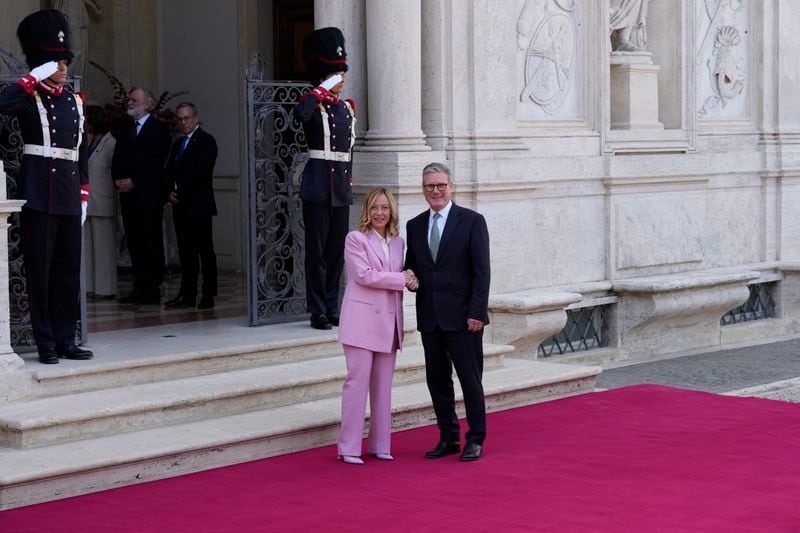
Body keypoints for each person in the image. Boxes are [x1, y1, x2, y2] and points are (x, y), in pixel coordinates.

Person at [0, 10, 93, 364]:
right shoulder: (27, 97)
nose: (64, 68)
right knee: (40, 272)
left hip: (69, 194)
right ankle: (45, 344)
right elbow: (2, 105)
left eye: (65, 61)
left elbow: (80, 151)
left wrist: (84, 193)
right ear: (43, 65)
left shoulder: (74, 101)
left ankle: (66, 339)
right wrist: (29, 79)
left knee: (67, 273)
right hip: (38, 192)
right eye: (56, 62)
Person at [404, 162, 491, 462]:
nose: (436, 191)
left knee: (470, 380)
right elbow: (411, 265)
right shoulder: (414, 225)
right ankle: (448, 437)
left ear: (451, 186)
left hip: (465, 319)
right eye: (430, 186)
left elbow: (482, 273)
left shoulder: (471, 221)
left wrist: (477, 312)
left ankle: (475, 438)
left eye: (441, 185)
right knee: (437, 381)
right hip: (430, 317)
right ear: (423, 189)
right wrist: (410, 278)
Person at [336, 188, 418, 465]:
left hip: (389, 323)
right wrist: (402, 278)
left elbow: (403, 275)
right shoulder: (355, 239)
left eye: (384, 208)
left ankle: (381, 444)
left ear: (391, 211)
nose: (380, 213)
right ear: (367, 211)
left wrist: (411, 278)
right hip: (360, 324)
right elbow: (364, 275)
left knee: (383, 387)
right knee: (356, 385)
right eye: (374, 208)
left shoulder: (398, 242)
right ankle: (348, 447)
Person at [293, 27, 356, 330]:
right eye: (337, 75)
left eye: (341, 75)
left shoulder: (346, 108)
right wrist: (323, 86)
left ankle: (332, 306)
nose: (342, 80)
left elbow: (348, 152)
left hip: (340, 189)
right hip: (318, 186)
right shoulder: (313, 103)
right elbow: (300, 114)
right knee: (316, 253)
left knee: (335, 253)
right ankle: (317, 309)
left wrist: (349, 185)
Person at [111, 87, 171, 305]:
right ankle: (139, 286)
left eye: (134, 99)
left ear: (147, 104)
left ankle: (152, 287)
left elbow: (157, 162)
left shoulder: (159, 129)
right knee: (134, 242)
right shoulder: (126, 131)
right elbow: (116, 160)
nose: (129, 102)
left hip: (148, 196)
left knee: (151, 241)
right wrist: (118, 180)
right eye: (128, 99)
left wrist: (135, 181)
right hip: (128, 198)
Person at [163, 102, 218, 310]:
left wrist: (181, 193)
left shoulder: (206, 141)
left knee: (205, 251)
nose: (183, 122)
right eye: (180, 119)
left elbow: (201, 174)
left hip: (199, 206)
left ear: (195, 118)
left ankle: (208, 294)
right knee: (186, 253)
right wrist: (169, 191)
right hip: (180, 206)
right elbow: (169, 171)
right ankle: (187, 294)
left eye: (186, 118)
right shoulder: (177, 144)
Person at [84, 104, 117, 300]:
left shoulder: (110, 142)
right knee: (87, 247)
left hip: (103, 200)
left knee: (104, 248)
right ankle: (89, 286)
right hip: (88, 200)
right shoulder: (89, 141)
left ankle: (106, 288)